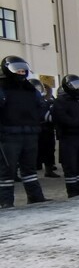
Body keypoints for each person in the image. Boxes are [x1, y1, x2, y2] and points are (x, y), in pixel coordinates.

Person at [0, 56, 49, 207]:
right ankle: (5, 202)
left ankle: (35, 198)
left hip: (30, 133)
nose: (21, 73)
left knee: (30, 169)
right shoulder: (2, 87)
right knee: (7, 170)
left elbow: (41, 107)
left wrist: (48, 116)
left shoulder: (30, 88)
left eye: (23, 70)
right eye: (18, 70)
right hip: (8, 134)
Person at [31, 80, 59, 178]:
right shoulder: (27, 99)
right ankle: (32, 169)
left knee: (49, 150)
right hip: (33, 129)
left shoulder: (48, 99)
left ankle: (49, 169)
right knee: (32, 151)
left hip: (47, 128)